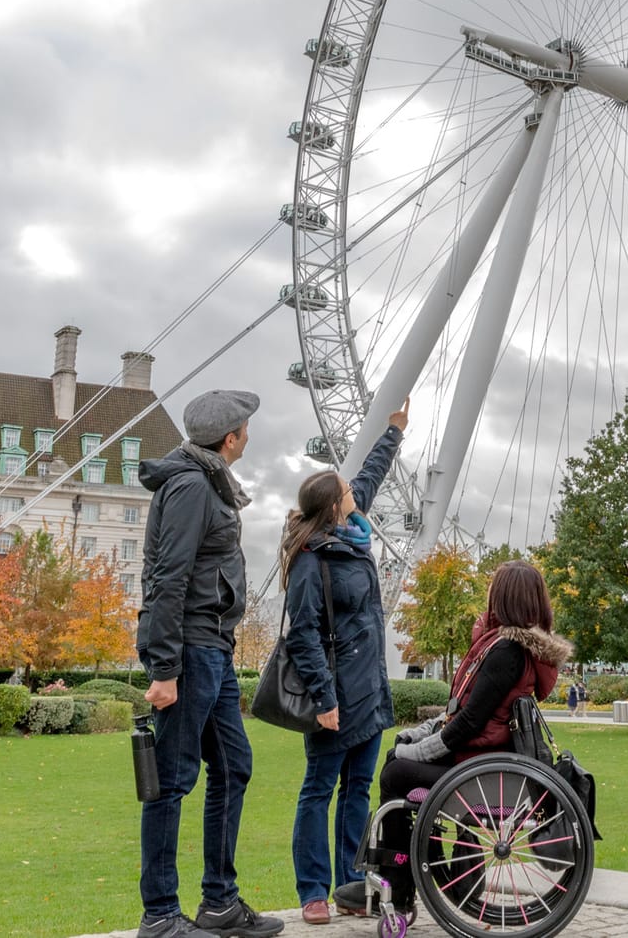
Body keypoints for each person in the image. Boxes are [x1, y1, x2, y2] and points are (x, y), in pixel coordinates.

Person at [135, 389, 282, 938]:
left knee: (233, 765)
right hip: (192, 650)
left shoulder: (211, 483)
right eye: (246, 428)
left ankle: (220, 902)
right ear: (230, 438)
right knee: (171, 781)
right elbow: (168, 578)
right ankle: (160, 915)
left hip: (214, 646)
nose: (249, 435)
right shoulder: (194, 486)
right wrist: (165, 668)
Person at [371, 561, 572, 917]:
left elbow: (467, 722)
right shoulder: (519, 651)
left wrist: (416, 749)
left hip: (479, 773)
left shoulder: (505, 652)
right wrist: (418, 738)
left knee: (394, 772)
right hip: (488, 765)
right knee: (398, 762)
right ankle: (403, 879)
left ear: (501, 599)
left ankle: (399, 887)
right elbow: (468, 714)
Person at [280, 400, 409, 926]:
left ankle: (351, 888)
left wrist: (393, 433)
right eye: (347, 492)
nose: (356, 494)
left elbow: (368, 478)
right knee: (318, 790)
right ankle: (313, 890)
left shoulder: (353, 532)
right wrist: (325, 700)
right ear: (333, 506)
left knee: (358, 791)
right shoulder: (312, 558)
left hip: (370, 692)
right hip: (335, 697)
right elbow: (303, 635)